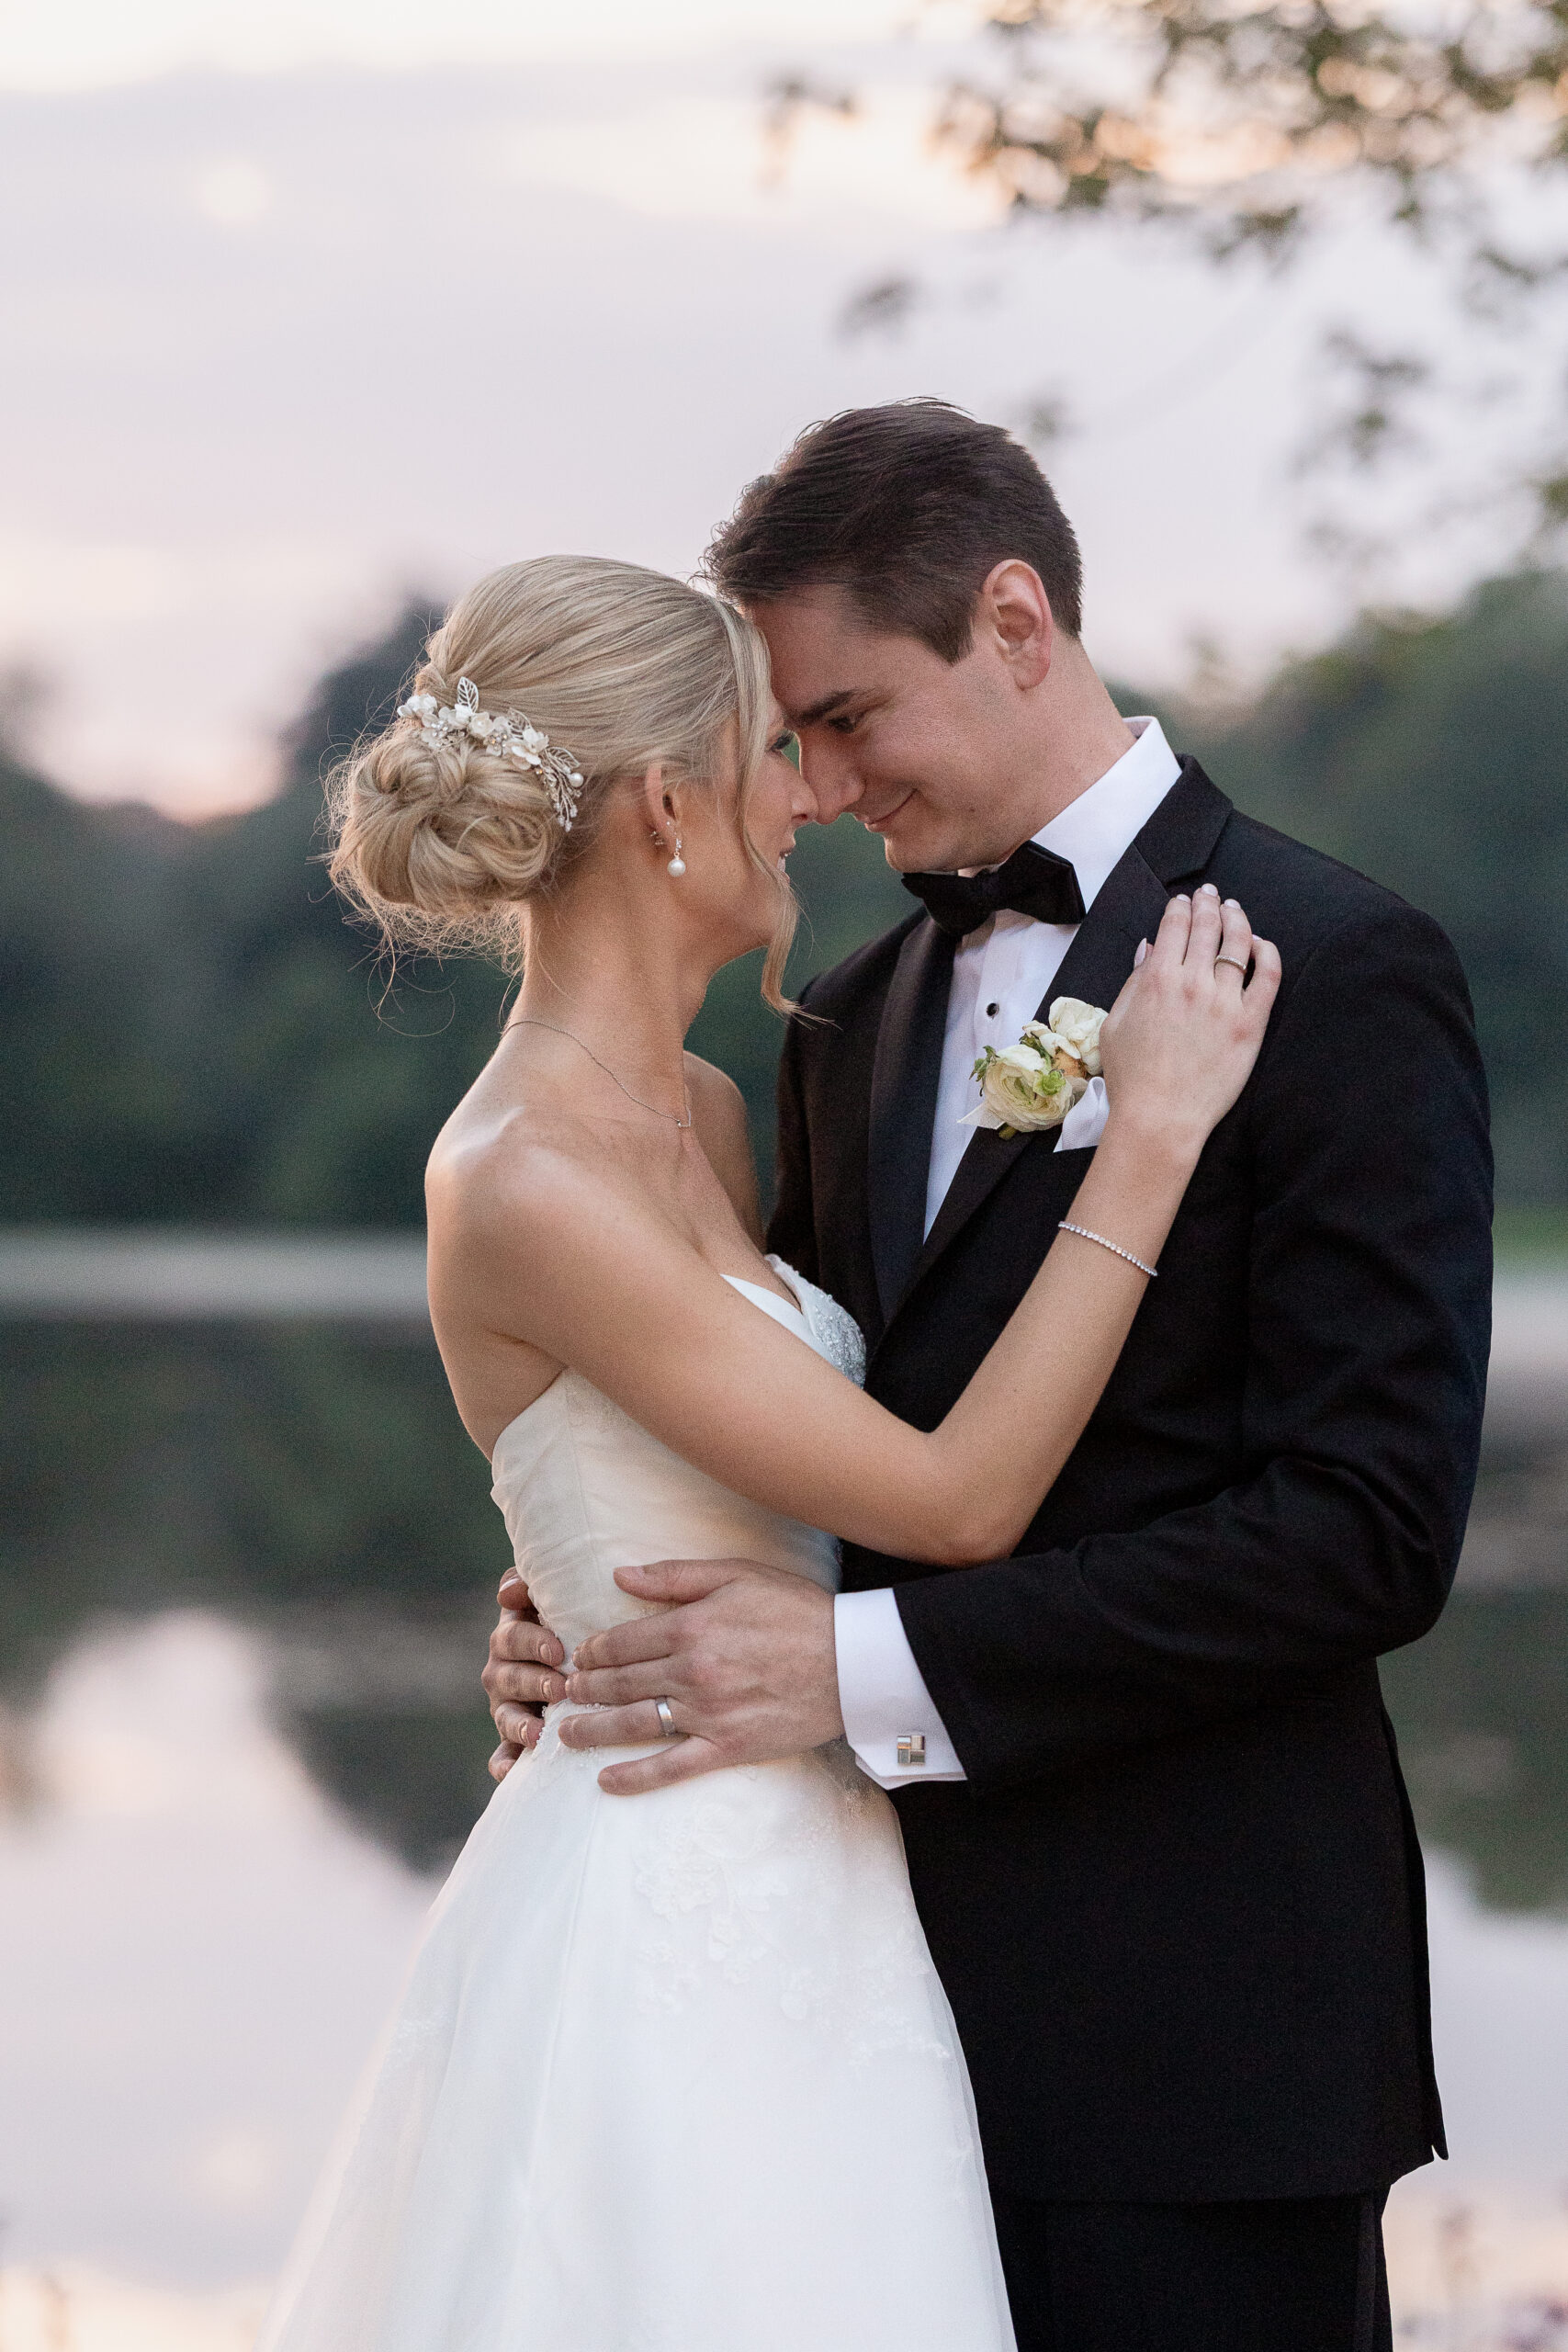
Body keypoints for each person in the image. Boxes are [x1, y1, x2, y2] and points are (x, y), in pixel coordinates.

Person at [485, 406, 1494, 2352]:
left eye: (847, 715)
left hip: (1193, 2046)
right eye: (791, 739)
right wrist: (588, 1605)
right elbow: (793, 1428)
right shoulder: (845, 1019)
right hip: (830, 2030)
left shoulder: (1335, 965)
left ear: (1014, 622)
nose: (821, 786)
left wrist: (857, 1669)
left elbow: (1363, 1531)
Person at [256, 548, 1275, 2352]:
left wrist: (557, 1594)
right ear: (669, 803)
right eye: (772, 751)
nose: (809, 796)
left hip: (831, 1869)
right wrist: (1147, 1139)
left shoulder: (711, 1111)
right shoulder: (524, 1177)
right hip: (659, 1894)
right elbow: (954, 1498)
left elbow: (719, 1463)